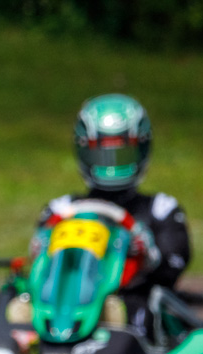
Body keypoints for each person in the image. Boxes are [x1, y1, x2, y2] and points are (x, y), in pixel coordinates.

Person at [36, 94, 190, 334]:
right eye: (102, 155)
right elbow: (40, 265)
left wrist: (146, 253)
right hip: (63, 305)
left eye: (122, 155)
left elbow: (173, 266)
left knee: (129, 311)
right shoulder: (61, 210)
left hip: (135, 300)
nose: (111, 165)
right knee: (16, 303)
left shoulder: (160, 209)